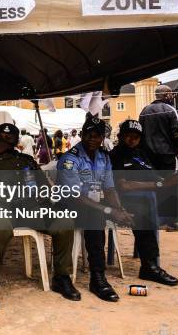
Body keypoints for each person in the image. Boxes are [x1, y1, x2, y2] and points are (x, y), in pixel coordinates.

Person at [0, 123, 79, 311]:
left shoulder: (27, 159)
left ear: (16, 140)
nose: (5, 140)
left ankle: (61, 277)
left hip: (29, 209)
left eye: (10, 137)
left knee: (64, 221)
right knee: (0, 225)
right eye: (1, 137)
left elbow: (44, 187)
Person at [57, 115, 134, 302]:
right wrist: (108, 211)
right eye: (89, 134)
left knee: (134, 211)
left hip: (92, 204)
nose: (92, 138)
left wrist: (119, 209)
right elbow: (76, 197)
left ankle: (150, 265)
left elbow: (109, 189)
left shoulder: (104, 158)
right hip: (69, 205)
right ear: (82, 135)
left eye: (97, 135)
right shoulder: (70, 159)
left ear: (102, 138)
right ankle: (98, 278)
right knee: (95, 217)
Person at [109, 120, 178, 285]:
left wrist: (169, 181)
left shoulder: (141, 154)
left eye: (136, 137)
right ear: (120, 137)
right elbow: (123, 185)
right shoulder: (115, 156)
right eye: (128, 136)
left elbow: (154, 176)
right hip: (126, 200)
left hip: (152, 196)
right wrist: (160, 185)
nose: (132, 140)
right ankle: (149, 266)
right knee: (143, 213)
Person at [139, 85, 178, 174]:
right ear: (167, 95)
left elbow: (140, 133)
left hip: (149, 155)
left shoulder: (144, 110)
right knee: (170, 183)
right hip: (168, 156)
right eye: (171, 94)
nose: (172, 97)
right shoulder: (170, 109)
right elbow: (177, 135)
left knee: (155, 184)